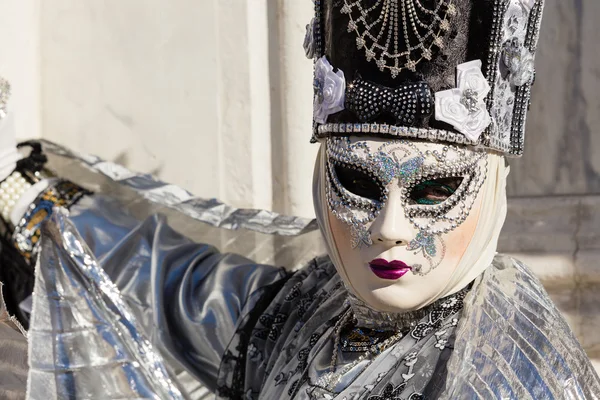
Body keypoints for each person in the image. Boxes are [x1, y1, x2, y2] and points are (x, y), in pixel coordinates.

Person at [1, 0, 599, 399]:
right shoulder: (310, 313)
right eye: (359, 184)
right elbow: (177, 290)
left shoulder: (509, 369)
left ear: (491, 189)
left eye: (435, 190)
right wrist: (29, 201)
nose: (391, 228)